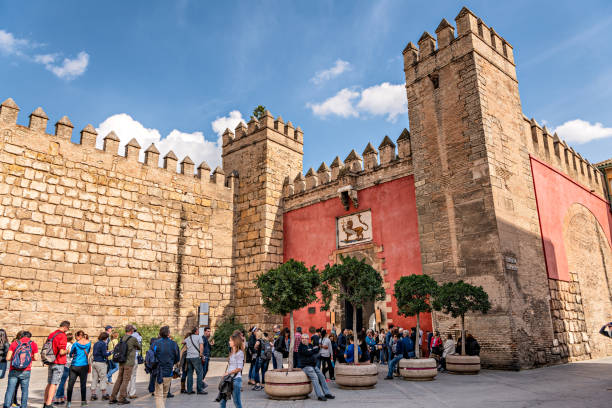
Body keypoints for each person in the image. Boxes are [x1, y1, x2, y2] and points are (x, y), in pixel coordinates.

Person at [3, 330, 39, 408]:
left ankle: (6, 406)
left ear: (21, 336)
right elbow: (36, 358)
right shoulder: (33, 344)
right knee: (25, 390)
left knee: (10, 389)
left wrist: (16, 358)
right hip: (26, 370)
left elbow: (8, 358)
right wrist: (28, 358)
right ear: (30, 337)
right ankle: (23, 406)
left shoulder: (14, 343)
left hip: (14, 369)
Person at [109, 324, 141, 405]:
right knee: (126, 380)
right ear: (131, 331)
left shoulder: (122, 338)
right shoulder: (133, 339)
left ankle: (112, 397)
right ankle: (122, 398)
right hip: (129, 362)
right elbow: (139, 347)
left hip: (121, 361)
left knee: (119, 379)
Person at [298, 334, 334, 401]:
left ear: (308, 339)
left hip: (313, 365)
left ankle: (327, 393)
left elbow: (315, 351)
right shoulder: (301, 346)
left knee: (322, 376)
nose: (303, 339)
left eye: (305, 338)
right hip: (306, 366)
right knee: (315, 377)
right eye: (302, 338)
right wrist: (312, 350)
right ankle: (320, 395)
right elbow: (309, 353)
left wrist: (312, 350)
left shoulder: (310, 345)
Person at [43, 320, 71, 408]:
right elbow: (62, 351)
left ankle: (45, 402)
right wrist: (68, 351)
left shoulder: (52, 334)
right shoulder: (62, 336)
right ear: (66, 327)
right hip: (58, 362)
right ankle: (48, 404)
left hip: (50, 360)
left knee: (49, 382)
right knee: (54, 384)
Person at [152, 326, 180, 408]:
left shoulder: (156, 343)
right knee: (164, 393)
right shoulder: (174, 344)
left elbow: (151, 356)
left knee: (158, 395)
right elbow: (177, 358)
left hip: (158, 372)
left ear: (160, 333)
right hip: (169, 372)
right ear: (168, 333)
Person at [66, 330, 91, 407]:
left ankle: (69, 403)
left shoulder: (75, 344)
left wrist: (73, 355)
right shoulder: (89, 343)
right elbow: (88, 352)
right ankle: (83, 402)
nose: (75, 338)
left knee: (70, 385)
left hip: (74, 365)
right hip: (84, 366)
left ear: (78, 336)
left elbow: (71, 354)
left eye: (76, 337)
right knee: (83, 385)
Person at [219, 332, 244, 408]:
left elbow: (239, 368)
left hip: (236, 380)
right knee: (222, 400)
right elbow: (231, 366)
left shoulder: (240, 353)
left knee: (237, 402)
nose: (229, 342)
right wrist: (226, 374)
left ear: (235, 342)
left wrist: (228, 373)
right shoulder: (231, 352)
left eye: (230, 340)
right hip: (228, 379)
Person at [182, 327, 205, 395]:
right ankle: (199, 389)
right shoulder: (199, 337)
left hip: (188, 358)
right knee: (199, 373)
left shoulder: (188, 338)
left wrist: (189, 346)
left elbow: (182, 342)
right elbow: (201, 346)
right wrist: (201, 354)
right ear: (196, 331)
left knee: (189, 373)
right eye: (198, 330)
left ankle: (189, 390)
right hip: (196, 357)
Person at [53, 332, 74, 404]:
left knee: (63, 381)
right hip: (68, 364)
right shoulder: (71, 345)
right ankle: (57, 397)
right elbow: (72, 355)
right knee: (62, 382)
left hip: (62, 363)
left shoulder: (63, 344)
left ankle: (61, 397)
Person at [91, 332, 111, 401]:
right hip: (101, 362)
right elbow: (104, 354)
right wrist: (111, 352)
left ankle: (93, 394)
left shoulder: (96, 343)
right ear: (105, 338)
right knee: (103, 378)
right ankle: (104, 394)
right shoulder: (103, 344)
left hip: (94, 362)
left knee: (94, 378)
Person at [126, 327, 142, 399]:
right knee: (133, 376)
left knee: (126, 376)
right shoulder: (137, 337)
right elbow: (139, 347)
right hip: (133, 358)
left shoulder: (124, 337)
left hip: (125, 359)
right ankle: (132, 393)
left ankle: (125, 392)